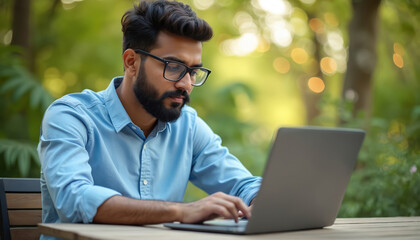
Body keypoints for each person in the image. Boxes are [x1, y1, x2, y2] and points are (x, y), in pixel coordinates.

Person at [38, 0, 261, 235]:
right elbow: (74, 199)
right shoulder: (71, 116)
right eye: (174, 66)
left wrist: (258, 201)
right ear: (131, 62)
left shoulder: (189, 127)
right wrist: (181, 211)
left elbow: (244, 184)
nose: (186, 84)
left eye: (193, 71)